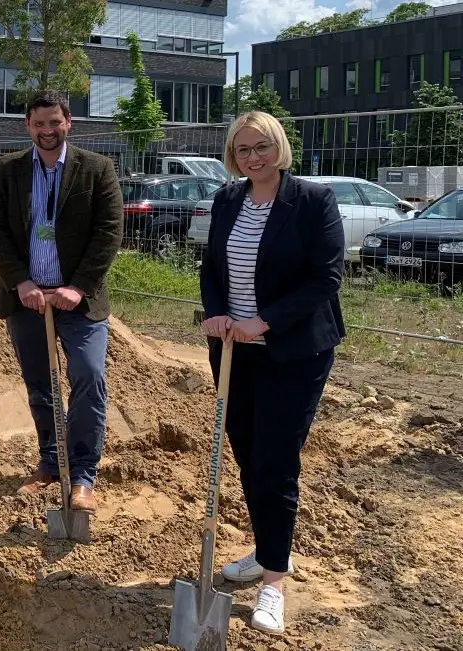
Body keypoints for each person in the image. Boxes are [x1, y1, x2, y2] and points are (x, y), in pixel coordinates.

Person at [199, 110, 345, 636]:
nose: (253, 157)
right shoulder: (228, 199)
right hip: (235, 351)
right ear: (233, 156)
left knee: (275, 462)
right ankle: (266, 549)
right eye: (243, 150)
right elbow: (211, 268)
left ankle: (274, 582)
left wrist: (267, 320)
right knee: (244, 453)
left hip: (293, 354)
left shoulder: (311, 202)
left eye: (261, 147)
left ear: (278, 148)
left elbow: (325, 278)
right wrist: (215, 312)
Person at [0, 89, 123, 513]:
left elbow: (109, 231)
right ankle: (50, 462)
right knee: (41, 386)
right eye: (38, 124)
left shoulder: (96, 170)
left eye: (54, 122)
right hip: (27, 301)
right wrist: (20, 282)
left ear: (68, 122)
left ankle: (82, 475)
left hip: (78, 301)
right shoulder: (7, 172)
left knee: (88, 376)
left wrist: (77, 286)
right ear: (28, 125)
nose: (47, 131)